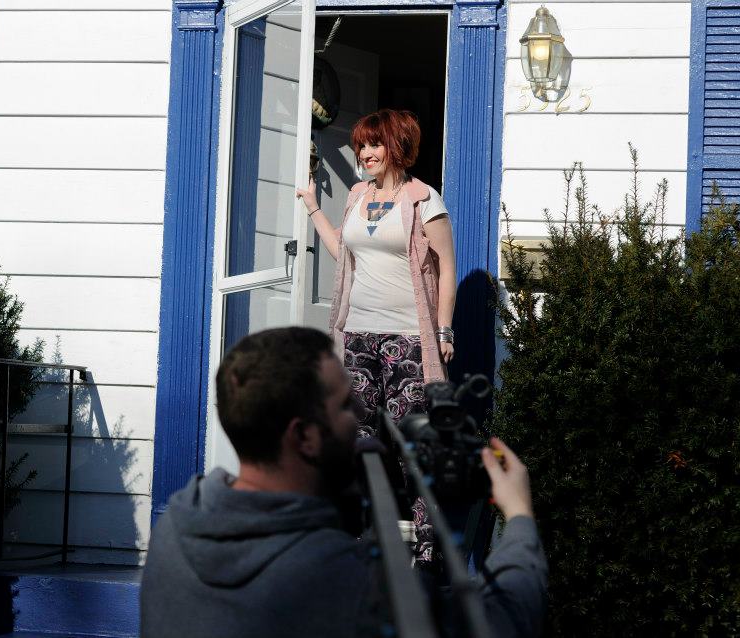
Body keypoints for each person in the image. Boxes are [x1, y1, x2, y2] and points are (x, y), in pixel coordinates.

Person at [140, 327, 547, 638]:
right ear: (304, 436)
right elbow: (500, 619)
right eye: (345, 405)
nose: (361, 414)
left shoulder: (174, 528)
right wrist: (519, 514)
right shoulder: (344, 582)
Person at [297, 109, 457, 564]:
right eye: (362, 146)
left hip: (408, 338)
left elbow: (447, 268)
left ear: (396, 145)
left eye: (374, 144)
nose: (365, 153)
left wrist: (444, 329)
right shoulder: (356, 196)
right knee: (357, 439)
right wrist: (313, 207)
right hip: (358, 336)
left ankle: (427, 551)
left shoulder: (424, 200)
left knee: (413, 444)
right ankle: (358, 535)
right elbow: (343, 253)